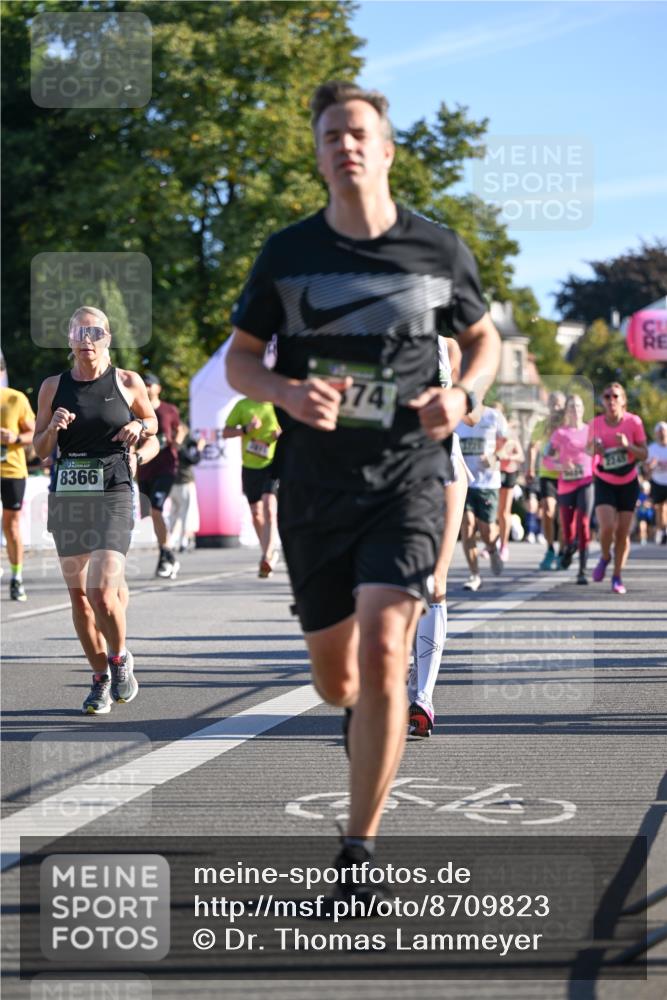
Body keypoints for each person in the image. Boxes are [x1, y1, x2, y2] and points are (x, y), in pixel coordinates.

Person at [225, 80, 500, 892]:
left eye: (357, 133)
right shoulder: (287, 253)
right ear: (316, 156)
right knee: (336, 680)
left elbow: (481, 340)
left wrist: (463, 395)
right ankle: (357, 710)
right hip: (316, 485)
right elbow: (242, 357)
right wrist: (278, 390)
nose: (344, 145)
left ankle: (358, 852)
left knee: (386, 650)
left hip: (408, 476)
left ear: (384, 150)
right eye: (329, 136)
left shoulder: (437, 250)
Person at [33, 306, 157, 713]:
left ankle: (119, 659)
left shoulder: (126, 381)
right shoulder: (53, 386)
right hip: (68, 494)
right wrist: (53, 428)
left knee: (101, 592)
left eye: (95, 331)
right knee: (80, 599)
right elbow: (39, 449)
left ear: (108, 338)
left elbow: (152, 421)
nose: (87, 338)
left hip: (114, 488)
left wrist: (140, 427)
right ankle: (99, 679)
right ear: (69, 338)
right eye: (79, 331)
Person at [407, 337, 472, 738]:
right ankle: (402, 670)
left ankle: (424, 698)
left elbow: (470, 411)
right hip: (391, 468)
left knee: (435, 581)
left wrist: (468, 399)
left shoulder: (448, 346)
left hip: (445, 462)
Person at [588, 382, 647, 594]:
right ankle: (605, 557)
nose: (611, 400)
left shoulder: (634, 422)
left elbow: (644, 454)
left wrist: (627, 446)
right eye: (607, 396)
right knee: (606, 527)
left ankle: (617, 576)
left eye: (615, 396)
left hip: (628, 482)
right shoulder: (595, 423)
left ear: (623, 401)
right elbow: (587, 452)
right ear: (602, 401)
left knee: (622, 533)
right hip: (605, 480)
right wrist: (596, 450)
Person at [223, 398, 281, 577]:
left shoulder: (277, 405)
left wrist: (281, 435)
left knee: (269, 507)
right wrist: (246, 429)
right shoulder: (243, 405)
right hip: (250, 466)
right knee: (256, 513)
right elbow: (225, 432)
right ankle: (268, 553)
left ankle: (267, 554)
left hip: (273, 463)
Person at [457, 403, 507, 591]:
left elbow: (509, 443)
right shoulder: (457, 415)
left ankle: (493, 549)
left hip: (488, 482)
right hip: (464, 481)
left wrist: (494, 457)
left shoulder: (493, 416)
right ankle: (474, 574)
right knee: (467, 525)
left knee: (487, 530)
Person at [137, 373, 181, 579]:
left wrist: (177, 442)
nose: (145, 388)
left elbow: (181, 429)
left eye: (149, 384)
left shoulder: (168, 410)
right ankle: (167, 553)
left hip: (166, 467)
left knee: (156, 508)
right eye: (143, 384)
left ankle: (166, 553)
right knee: (152, 515)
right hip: (144, 469)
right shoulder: (134, 410)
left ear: (158, 388)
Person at [546, 394, 593, 584]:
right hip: (566, 485)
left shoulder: (591, 431)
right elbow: (547, 458)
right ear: (567, 411)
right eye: (572, 406)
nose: (576, 409)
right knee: (568, 530)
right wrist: (560, 466)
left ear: (583, 409)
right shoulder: (560, 434)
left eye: (579, 405)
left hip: (586, 481)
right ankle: (568, 550)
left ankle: (582, 570)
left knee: (583, 523)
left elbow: (599, 453)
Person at [1, 376, 35, 601]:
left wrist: (14, 437)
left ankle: (16, 577)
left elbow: (34, 433)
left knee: (11, 526)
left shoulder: (15, 398)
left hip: (12, 470)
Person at [527, 391, 565, 570]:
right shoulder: (541, 425)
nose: (555, 407)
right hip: (547, 474)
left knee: (564, 518)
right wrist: (530, 468)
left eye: (558, 404)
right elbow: (533, 447)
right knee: (548, 512)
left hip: (567, 476)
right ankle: (550, 549)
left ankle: (562, 551)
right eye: (552, 403)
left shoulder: (568, 427)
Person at [168, 422, 205, 552]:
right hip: (184, 483)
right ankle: (183, 541)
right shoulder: (180, 448)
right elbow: (194, 460)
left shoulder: (170, 446)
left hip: (172, 483)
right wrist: (200, 448)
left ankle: (171, 540)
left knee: (175, 512)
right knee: (186, 513)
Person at [495, 405, 525, 563]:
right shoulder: (489, 432)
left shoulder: (511, 435)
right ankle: (492, 543)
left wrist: (508, 456)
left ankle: (503, 546)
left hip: (508, 473)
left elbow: (520, 456)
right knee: (493, 512)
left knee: (503, 511)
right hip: (492, 473)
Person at [646, 421, 667, 544]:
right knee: (659, 508)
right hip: (657, 482)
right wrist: (651, 466)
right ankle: (662, 530)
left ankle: (664, 530)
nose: (662, 434)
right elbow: (646, 469)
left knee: (665, 508)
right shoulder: (652, 449)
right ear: (656, 434)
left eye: (664, 431)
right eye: (659, 432)